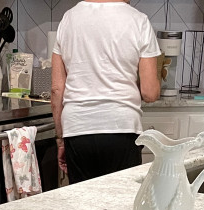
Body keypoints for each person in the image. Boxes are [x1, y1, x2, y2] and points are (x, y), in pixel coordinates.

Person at [51, 0, 162, 185]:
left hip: (77, 130)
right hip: (122, 128)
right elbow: (150, 93)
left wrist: (61, 140)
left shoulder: (68, 18)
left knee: (82, 204)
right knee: (120, 206)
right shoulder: (139, 21)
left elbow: (56, 90)